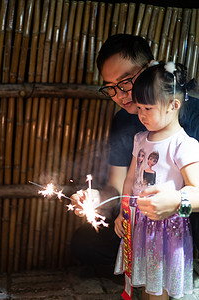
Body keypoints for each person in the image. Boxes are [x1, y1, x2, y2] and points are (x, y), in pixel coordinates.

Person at [70, 34, 199, 272]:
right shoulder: (125, 122)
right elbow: (119, 188)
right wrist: (98, 198)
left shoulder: (194, 116)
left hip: (186, 220)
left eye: (125, 82)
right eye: (110, 88)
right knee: (85, 242)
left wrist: (177, 201)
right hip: (144, 222)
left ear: (150, 68)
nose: (119, 95)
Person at [115, 61, 199, 299]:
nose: (141, 114)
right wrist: (123, 213)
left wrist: (174, 201)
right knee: (140, 278)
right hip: (137, 224)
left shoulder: (184, 145)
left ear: (173, 105)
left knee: (157, 286)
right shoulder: (140, 139)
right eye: (139, 107)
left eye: (148, 108)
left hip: (165, 229)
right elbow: (130, 179)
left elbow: (197, 189)